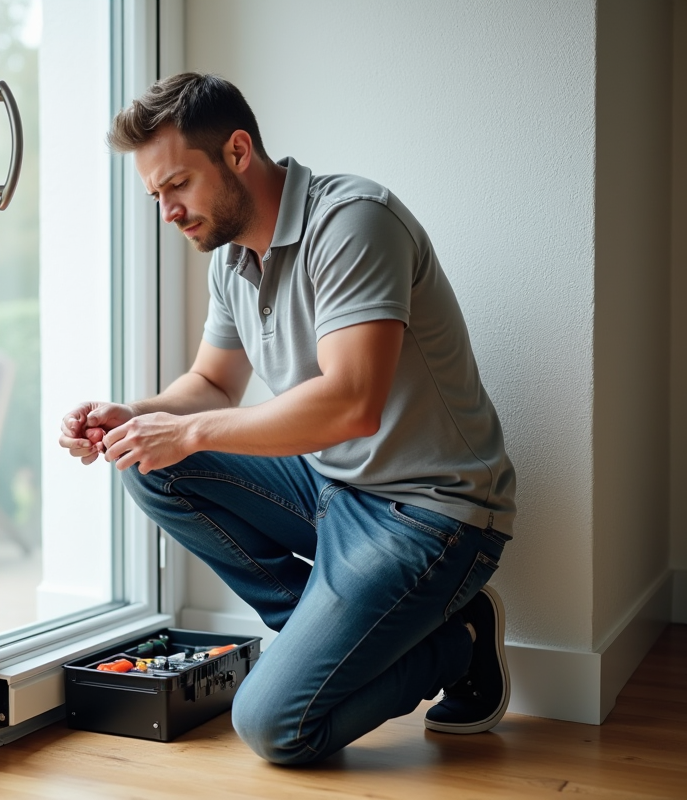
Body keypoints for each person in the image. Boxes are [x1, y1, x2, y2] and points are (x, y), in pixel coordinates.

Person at [58, 73, 517, 765]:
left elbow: (352, 404)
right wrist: (136, 415)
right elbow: (212, 384)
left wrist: (187, 431)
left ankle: (456, 644)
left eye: (177, 185)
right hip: (332, 488)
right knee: (151, 466)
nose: (168, 212)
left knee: (275, 728)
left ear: (238, 151)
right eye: (156, 195)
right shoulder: (233, 257)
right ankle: (352, 630)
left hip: (433, 514)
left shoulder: (354, 222)